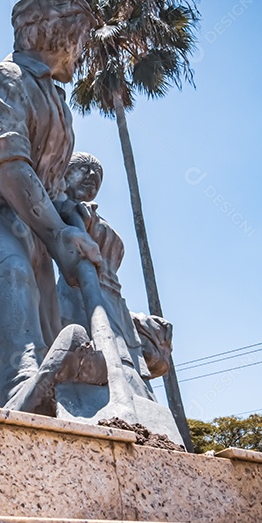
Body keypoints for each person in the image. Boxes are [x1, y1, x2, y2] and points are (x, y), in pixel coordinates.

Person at [0, 0, 101, 412]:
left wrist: (70, 221)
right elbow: (8, 164)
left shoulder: (57, 102)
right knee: (9, 277)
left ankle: (55, 396)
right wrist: (57, 234)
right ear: (55, 32)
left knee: (49, 320)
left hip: (33, 223)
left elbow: (52, 185)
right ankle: (15, 384)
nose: (82, 51)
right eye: (81, 38)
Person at [55, 153, 173, 385]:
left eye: (98, 174)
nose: (92, 176)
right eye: (84, 169)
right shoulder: (63, 209)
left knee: (130, 369)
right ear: (65, 174)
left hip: (114, 298)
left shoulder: (94, 213)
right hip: (81, 292)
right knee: (101, 362)